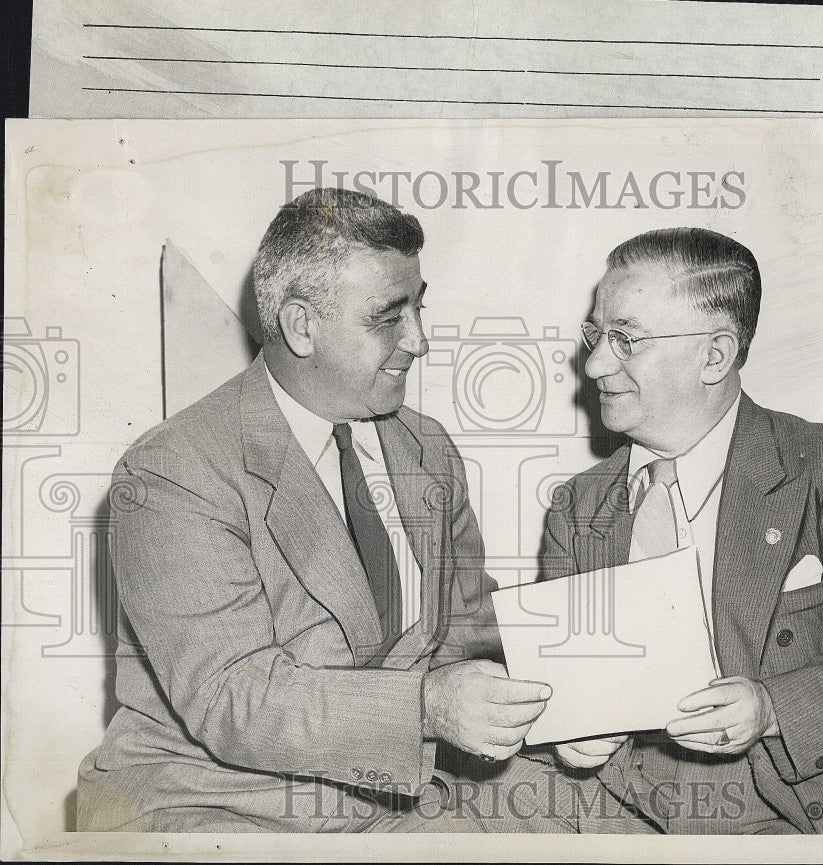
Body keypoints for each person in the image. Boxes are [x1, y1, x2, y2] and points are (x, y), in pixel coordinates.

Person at [77, 188, 551, 832]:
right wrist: (427, 707)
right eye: (389, 317)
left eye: (419, 306)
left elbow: (467, 632)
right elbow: (234, 699)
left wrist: (557, 706)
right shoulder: (173, 471)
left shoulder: (427, 447)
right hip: (212, 805)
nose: (419, 339)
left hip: (388, 800)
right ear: (301, 326)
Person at [446, 226, 823, 834]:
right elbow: (567, 689)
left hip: (798, 820)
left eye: (626, 339)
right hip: (623, 820)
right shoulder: (578, 507)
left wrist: (770, 708)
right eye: (596, 334)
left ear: (714, 354)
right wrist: (566, 735)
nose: (596, 363)